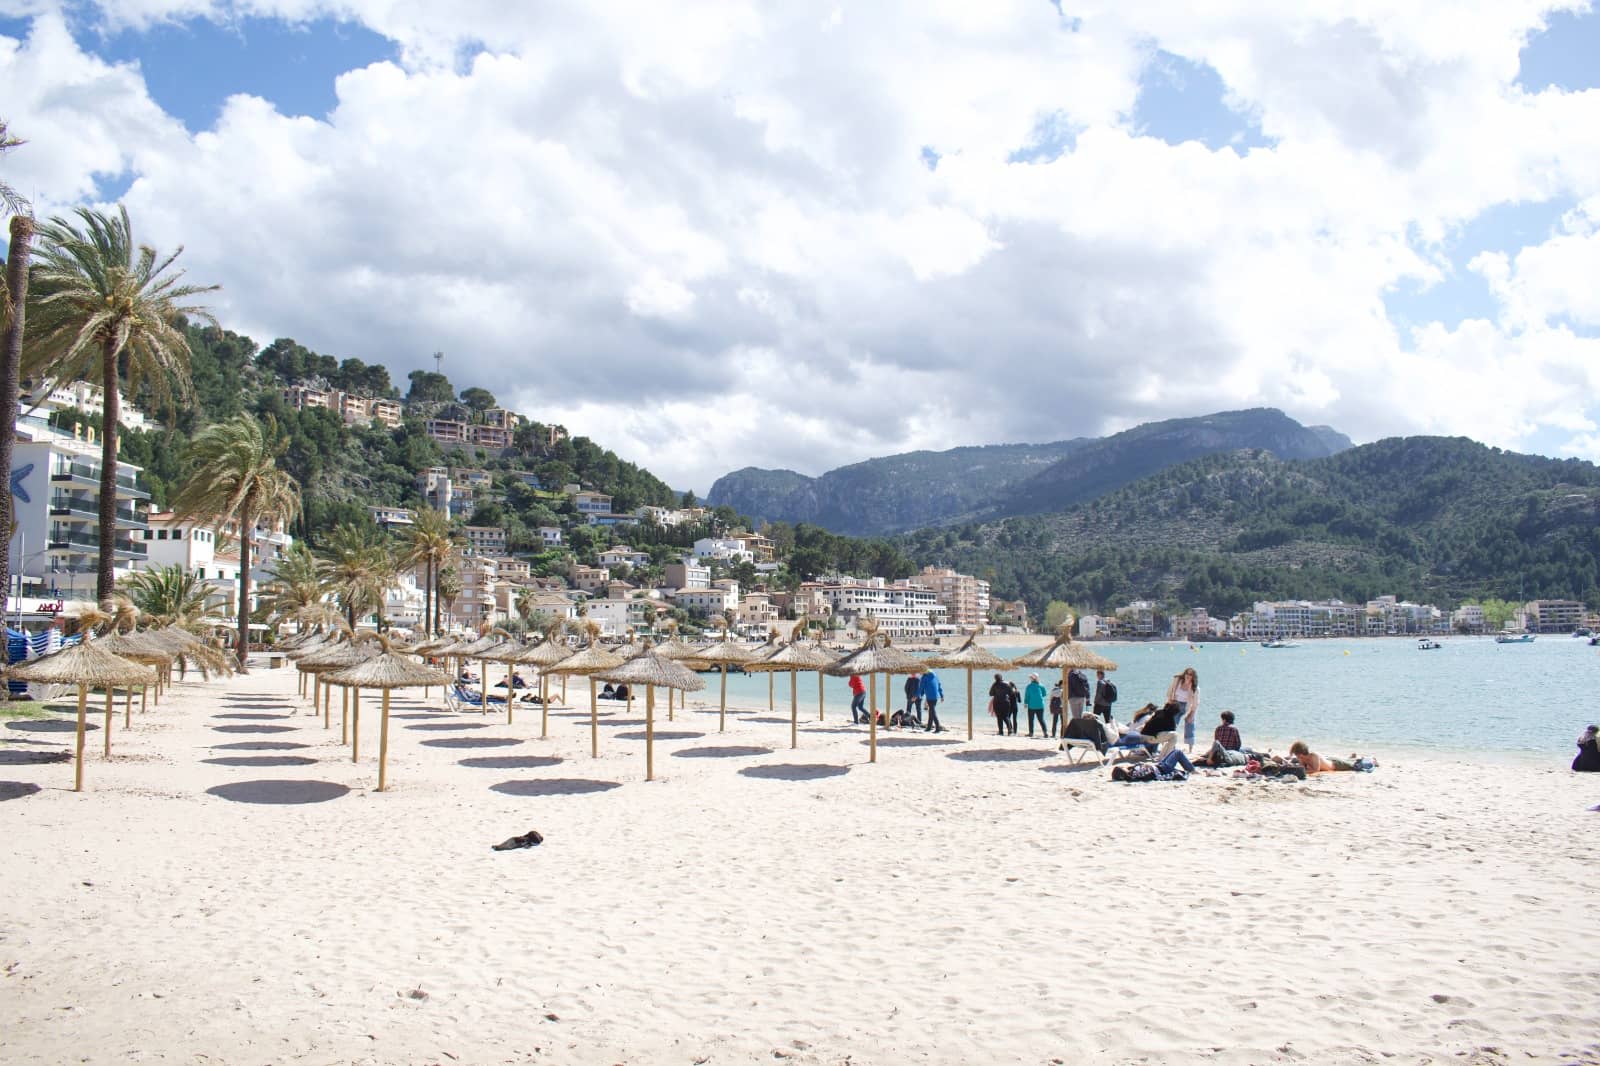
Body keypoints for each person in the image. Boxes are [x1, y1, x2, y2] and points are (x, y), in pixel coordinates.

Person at [1166, 668, 1200, 752]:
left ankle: (1190, 748)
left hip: (1187, 706)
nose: (1188, 676)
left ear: (1193, 677)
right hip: (1175, 704)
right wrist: (1169, 701)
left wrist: (1192, 714)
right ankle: (1171, 746)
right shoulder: (1177, 680)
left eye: (1190, 675)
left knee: (1190, 724)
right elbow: (1170, 691)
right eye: (1187, 674)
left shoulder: (1195, 688)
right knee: (1172, 724)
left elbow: (1195, 703)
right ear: (1184, 674)